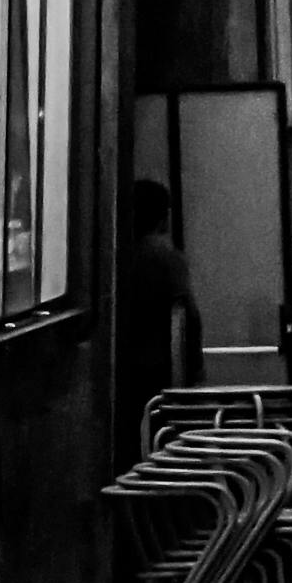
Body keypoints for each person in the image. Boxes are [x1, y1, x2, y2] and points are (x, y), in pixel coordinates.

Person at [117, 168, 201, 454]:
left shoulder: (120, 257)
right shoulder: (167, 258)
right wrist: (189, 375)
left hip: (127, 370)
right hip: (161, 371)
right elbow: (183, 317)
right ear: (162, 215)